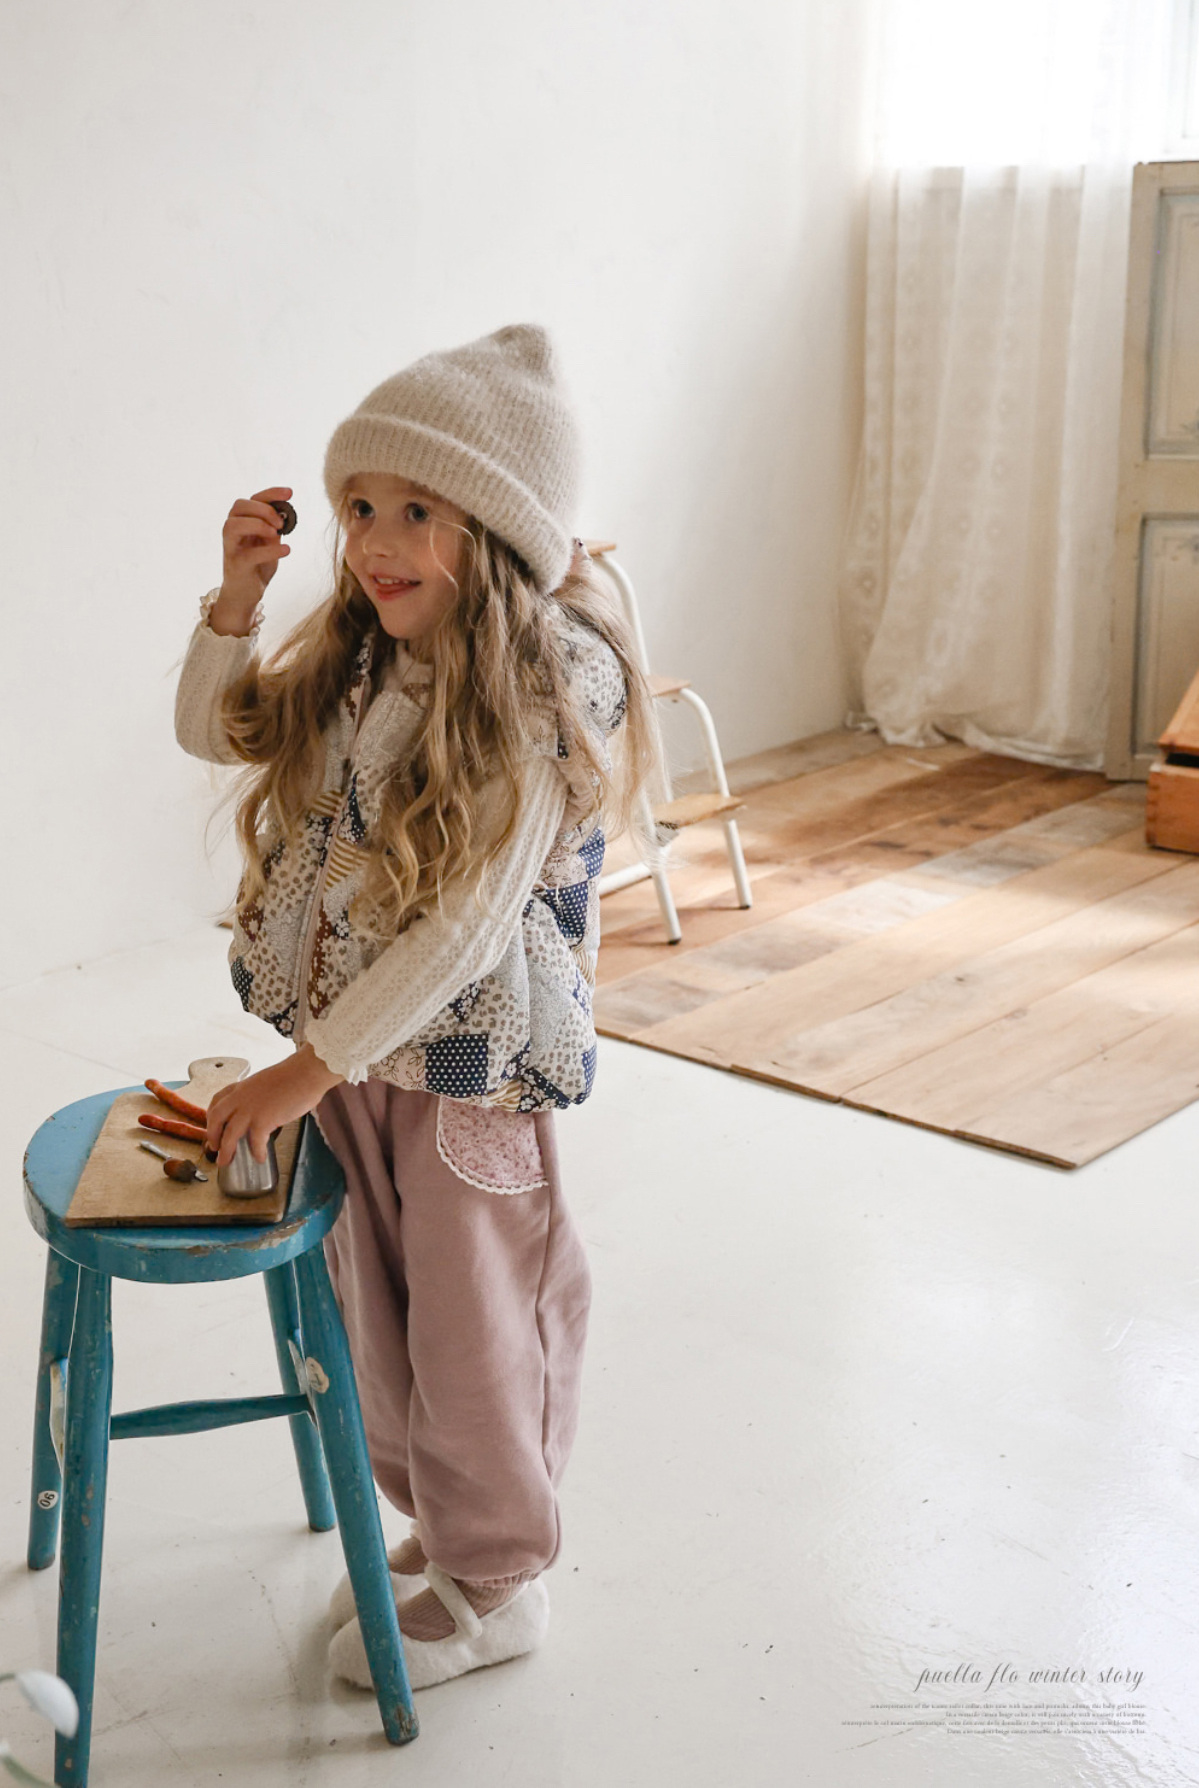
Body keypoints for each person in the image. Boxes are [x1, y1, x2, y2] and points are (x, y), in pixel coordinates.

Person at [173, 323, 658, 1690]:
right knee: (379, 1310)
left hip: (468, 1071)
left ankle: (499, 1580)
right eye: (361, 507)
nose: (376, 542)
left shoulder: (537, 684)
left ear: (493, 532)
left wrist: (300, 1073)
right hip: (357, 1058)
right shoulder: (368, 652)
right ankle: (444, 1528)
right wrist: (234, 601)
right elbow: (214, 730)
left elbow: (471, 923)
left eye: (417, 513)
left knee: (475, 1319)